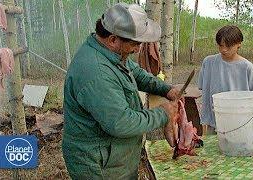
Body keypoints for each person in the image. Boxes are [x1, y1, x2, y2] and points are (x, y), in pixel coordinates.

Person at [62, 3, 180, 179]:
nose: (138, 49)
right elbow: (121, 123)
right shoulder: (96, 72)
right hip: (98, 164)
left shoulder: (110, 53)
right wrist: (162, 114)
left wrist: (166, 89)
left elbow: (136, 73)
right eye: (135, 44)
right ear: (113, 39)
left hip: (114, 157)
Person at [198, 25, 253, 134]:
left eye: (228, 46)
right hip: (214, 121)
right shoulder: (208, 63)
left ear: (239, 43)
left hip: (239, 124)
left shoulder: (247, 68)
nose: (224, 50)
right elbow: (202, 88)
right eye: (221, 46)